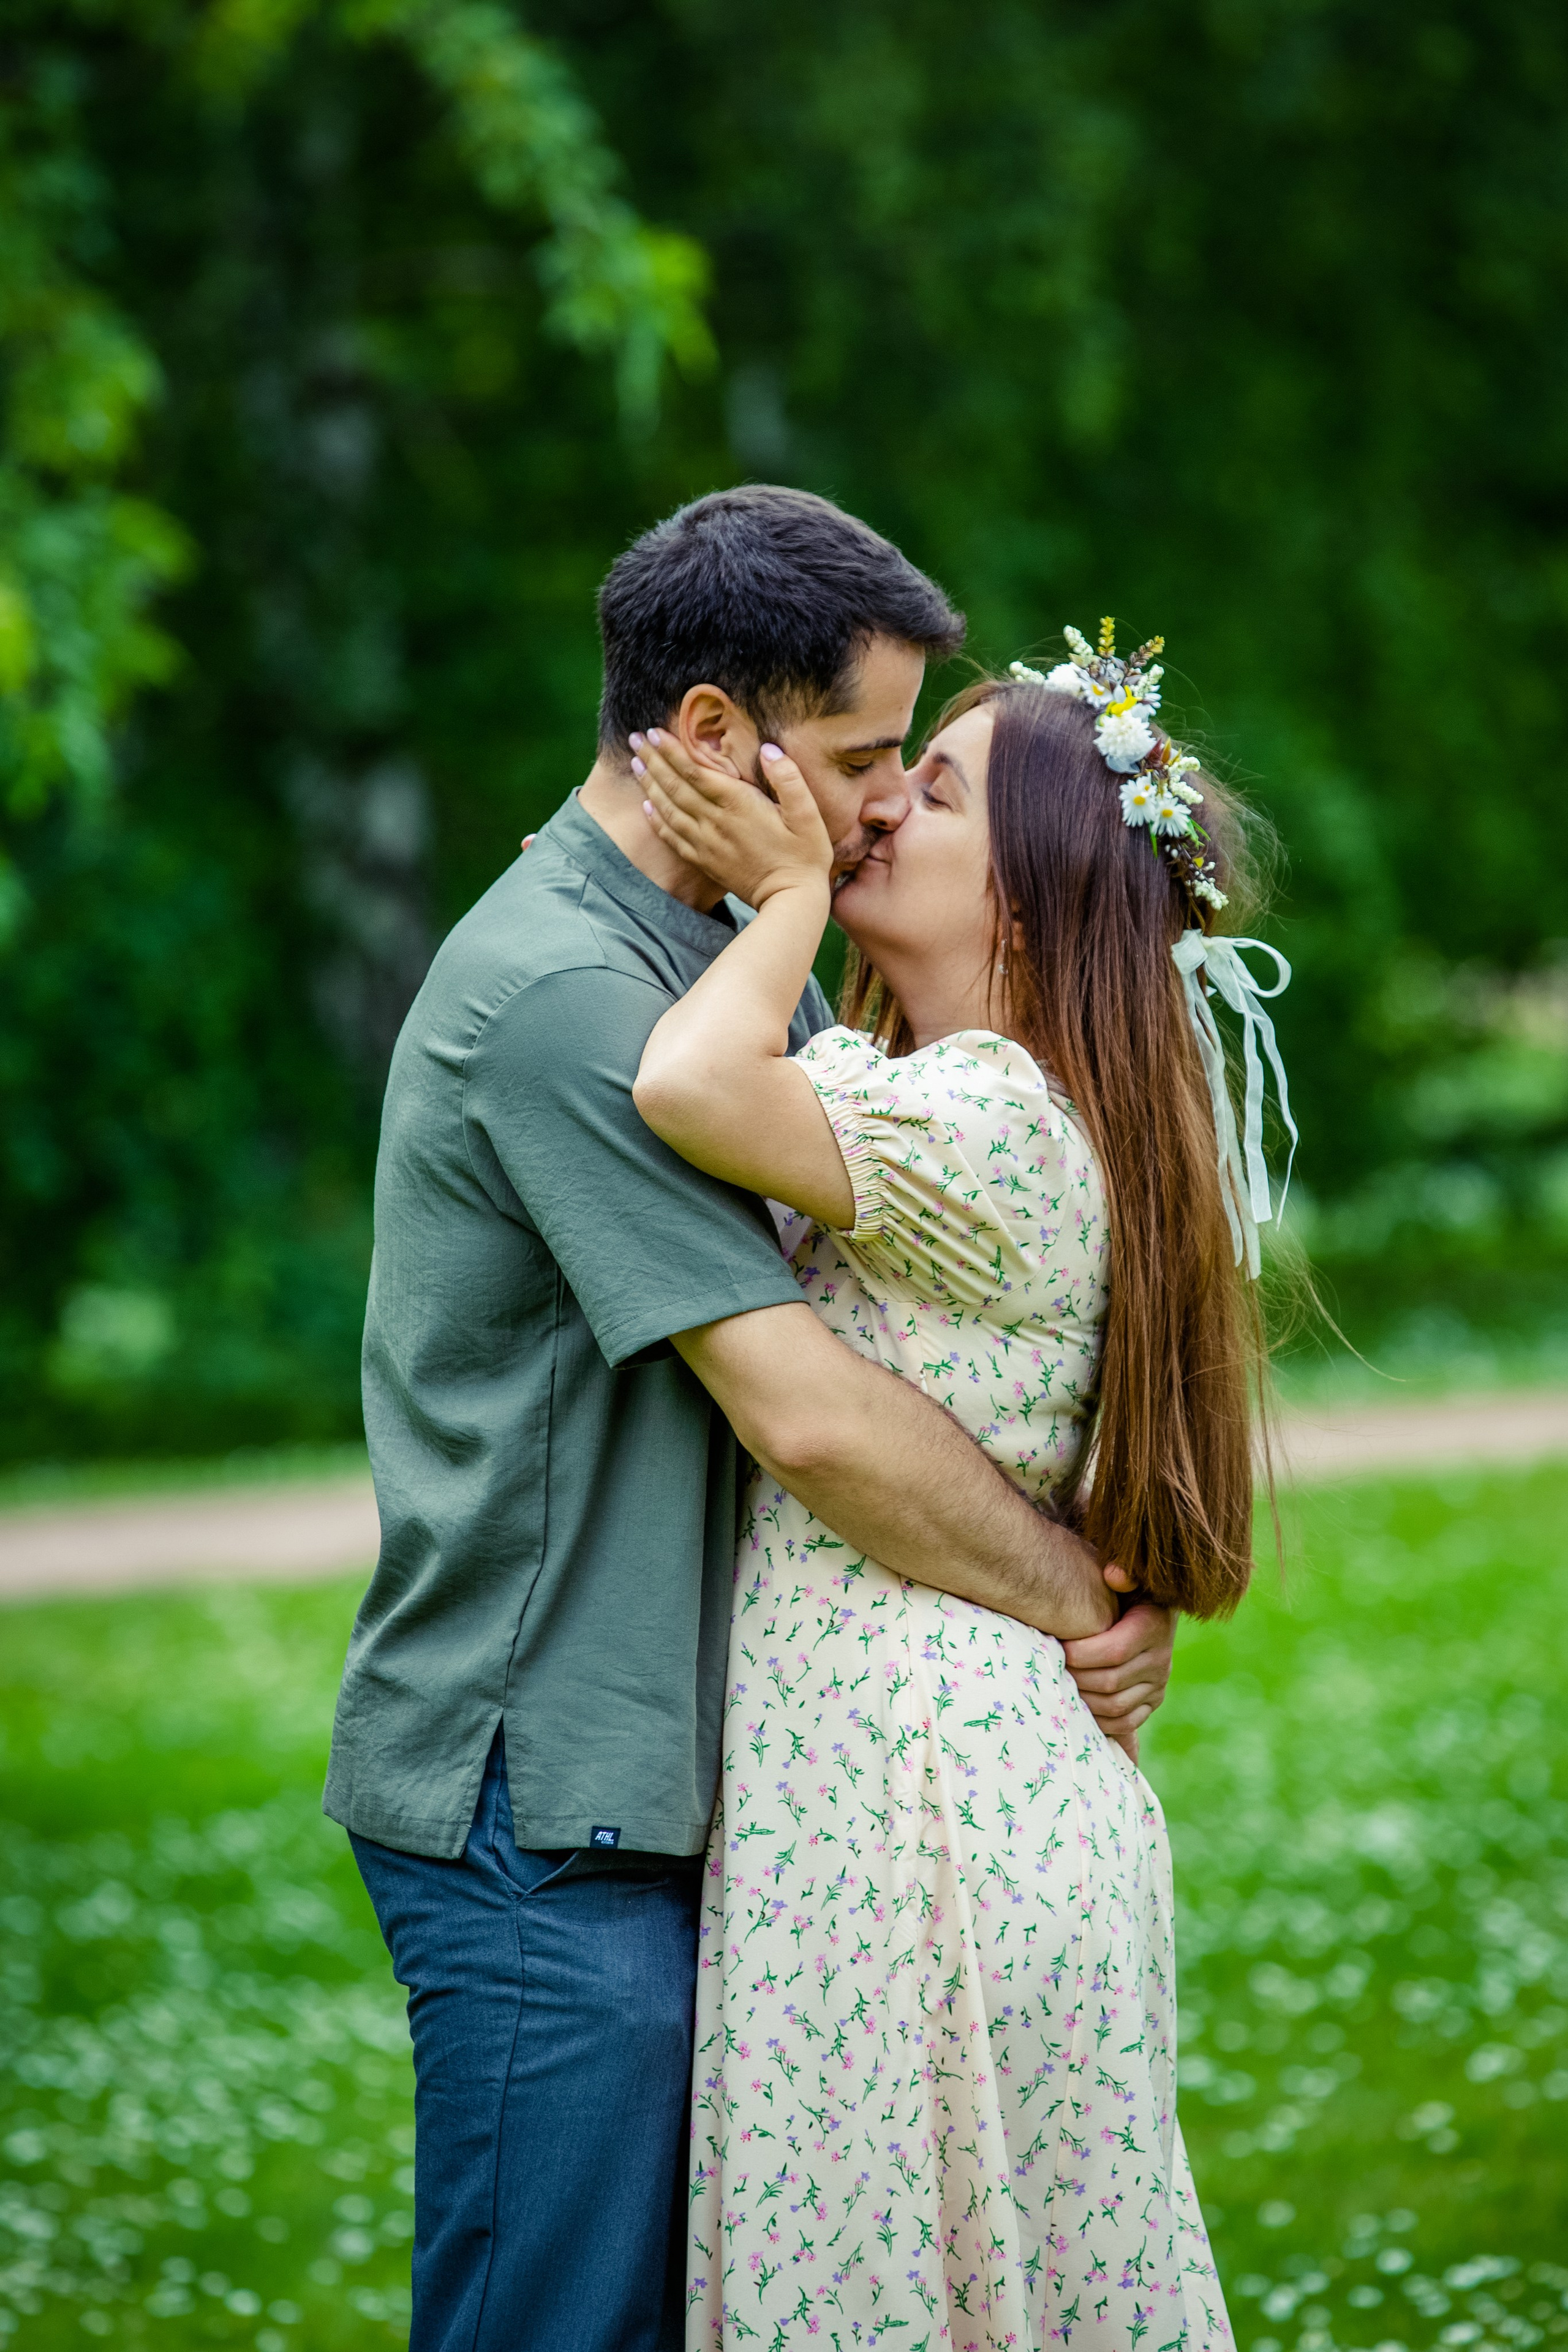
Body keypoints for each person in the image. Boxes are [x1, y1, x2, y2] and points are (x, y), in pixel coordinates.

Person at [322, 494, 1176, 2352]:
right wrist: (1080, 1597)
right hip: (537, 1794)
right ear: (712, 736)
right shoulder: (573, 997)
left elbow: (967, 1334)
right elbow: (812, 1417)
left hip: (655, 1786)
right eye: (868, 757)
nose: (881, 805)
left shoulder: (694, 971)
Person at [631, 620, 1295, 2350]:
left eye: (930, 793)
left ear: (1030, 895)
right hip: (949, 1778)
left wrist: (774, 900)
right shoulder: (966, 1100)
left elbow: (690, 1083)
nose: (869, 816)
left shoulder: (991, 1116)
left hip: (914, 1811)